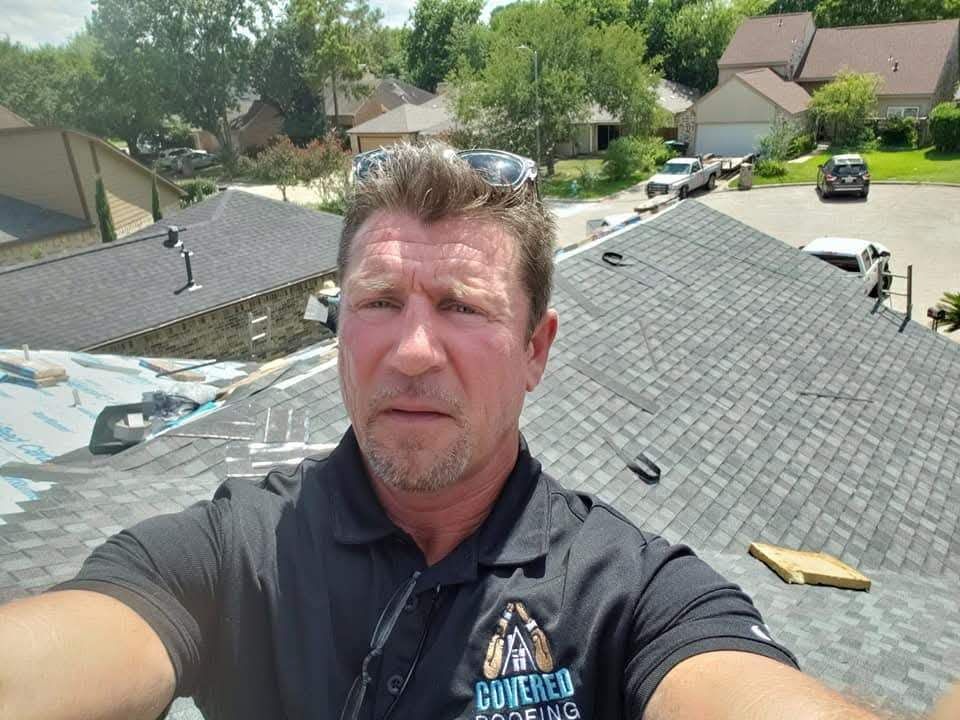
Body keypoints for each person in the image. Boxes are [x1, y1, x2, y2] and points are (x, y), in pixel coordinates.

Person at [0, 143, 950, 720]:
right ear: (341, 329)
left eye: (462, 307)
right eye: (379, 301)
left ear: (536, 349)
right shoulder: (230, 555)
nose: (413, 350)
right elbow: (76, 648)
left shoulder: (628, 599)